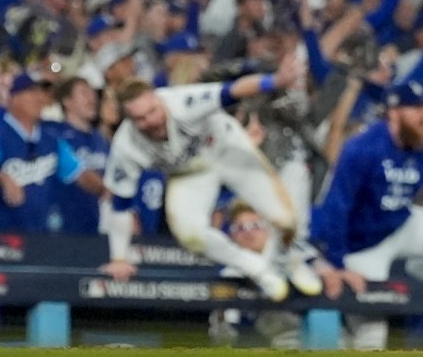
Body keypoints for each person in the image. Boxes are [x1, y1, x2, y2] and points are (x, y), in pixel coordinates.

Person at [101, 55, 322, 301]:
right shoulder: (126, 145)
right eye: (139, 118)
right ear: (129, 119)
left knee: (286, 221)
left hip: (226, 150)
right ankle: (258, 270)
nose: (150, 121)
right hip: (189, 172)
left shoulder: (183, 102)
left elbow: (233, 91)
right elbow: (120, 204)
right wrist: (119, 257)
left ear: (157, 98)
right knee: (191, 235)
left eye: (152, 111)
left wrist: (276, 80)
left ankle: (289, 261)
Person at [312, 77, 423, 351]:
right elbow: (337, 207)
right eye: (415, 109)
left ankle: (422, 270)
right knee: (372, 333)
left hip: (402, 224)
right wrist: (338, 263)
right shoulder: (363, 148)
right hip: (363, 244)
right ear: (393, 112)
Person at [0, 73, 66, 235]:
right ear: (13, 99)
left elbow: (77, 172)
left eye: (39, 92)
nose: (39, 98)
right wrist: (1, 178)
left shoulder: (50, 138)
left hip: (42, 233)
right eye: (31, 92)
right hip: (2, 235)